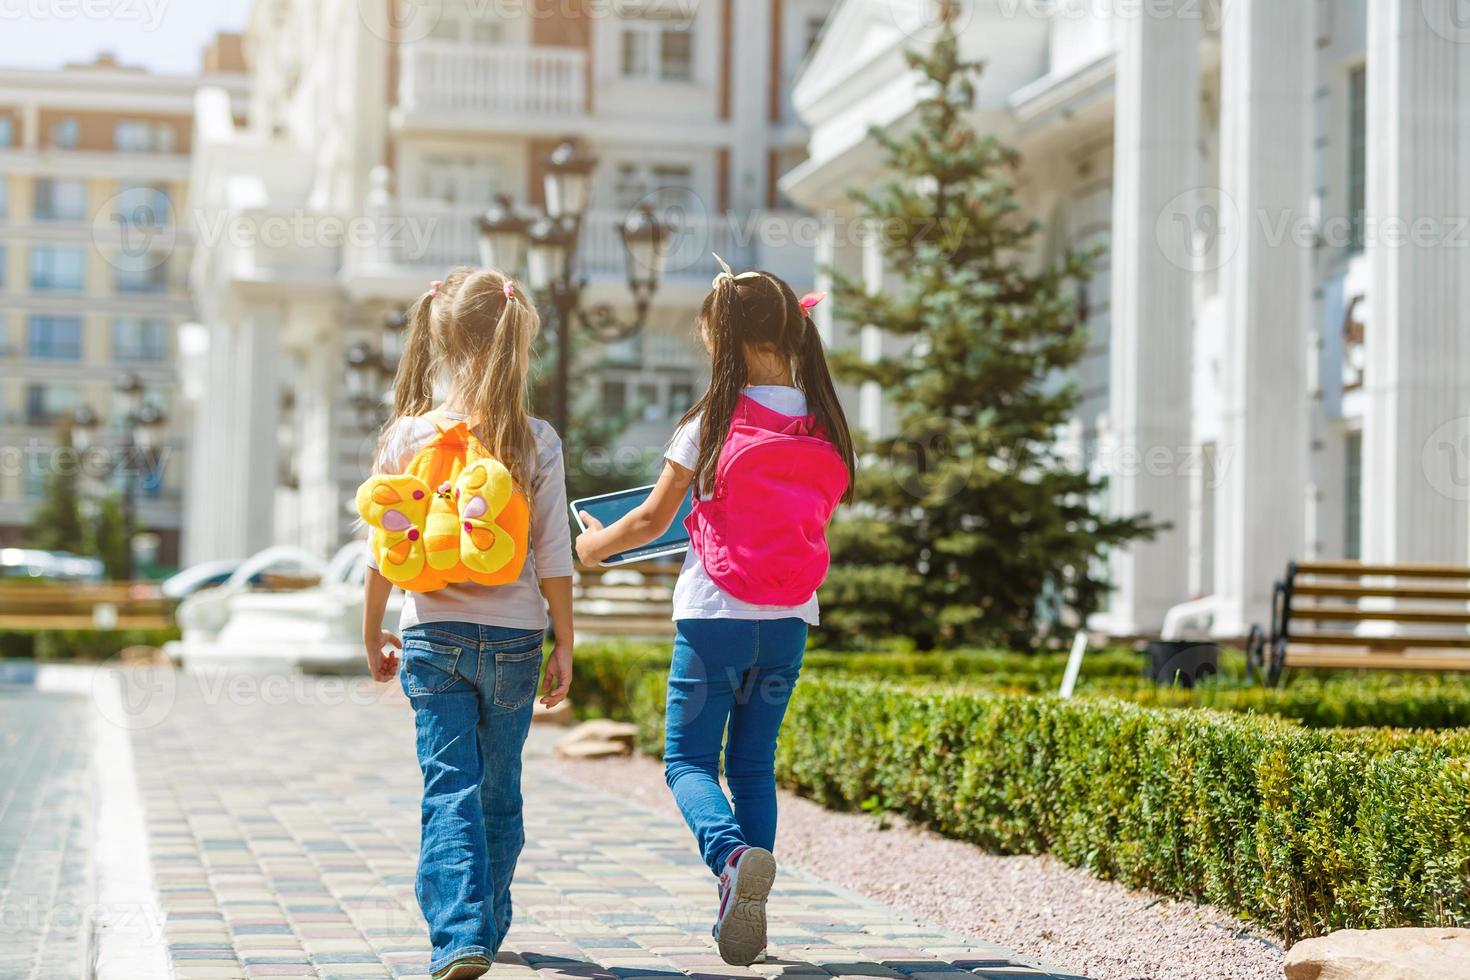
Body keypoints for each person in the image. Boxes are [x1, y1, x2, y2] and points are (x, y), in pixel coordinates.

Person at [574, 260, 854, 966]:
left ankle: (731, 862)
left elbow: (648, 519)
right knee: (753, 766)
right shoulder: (824, 422)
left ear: (721, 336)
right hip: (789, 618)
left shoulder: (711, 420)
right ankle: (743, 896)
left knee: (687, 760)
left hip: (715, 614)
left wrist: (591, 549)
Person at [360, 267, 574, 980]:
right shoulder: (535, 438)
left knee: (448, 784)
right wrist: (565, 639)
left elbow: (381, 546)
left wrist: (370, 633)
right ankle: (487, 920)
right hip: (515, 638)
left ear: (441, 335)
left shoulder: (408, 434)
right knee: (499, 786)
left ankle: (460, 934)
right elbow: (553, 553)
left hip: (431, 634)